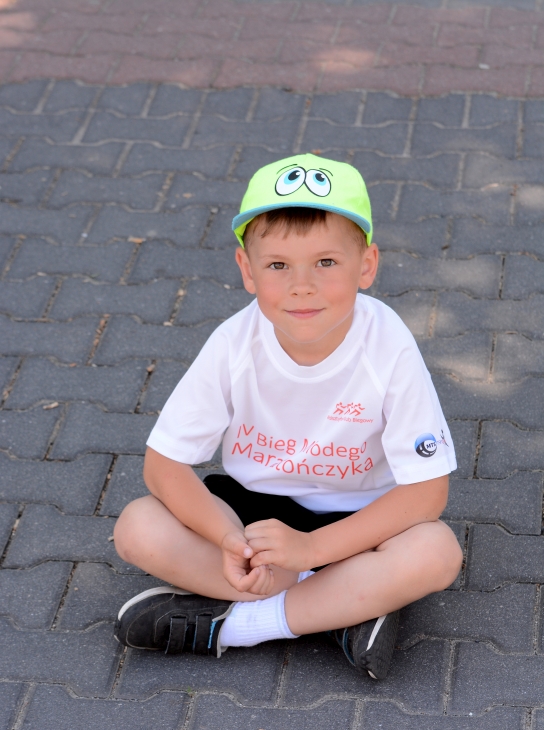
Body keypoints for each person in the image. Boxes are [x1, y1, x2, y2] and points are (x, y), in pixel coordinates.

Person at [113, 155, 462, 680]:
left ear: (366, 265)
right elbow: (163, 466)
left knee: (436, 552)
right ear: (247, 270)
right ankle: (341, 609)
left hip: (357, 527)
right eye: (278, 265)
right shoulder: (234, 343)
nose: (302, 285)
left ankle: (238, 626)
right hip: (254, 525)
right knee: (138, 526)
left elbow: (428, 493)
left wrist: (312, 548)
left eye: (326, 262)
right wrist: (228, 540)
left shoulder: (387, 343)